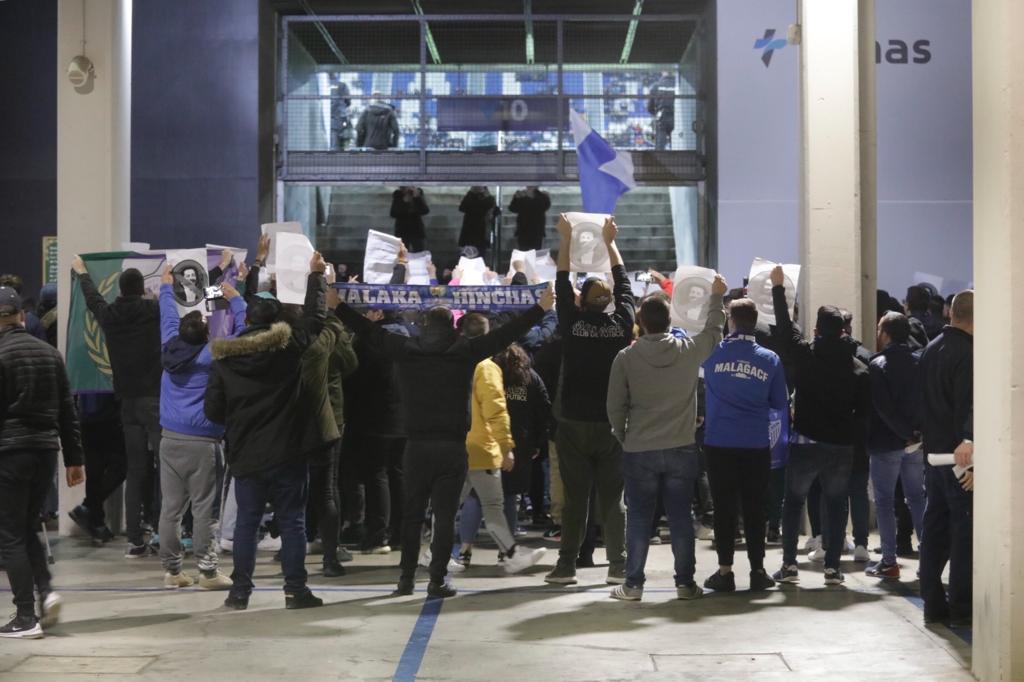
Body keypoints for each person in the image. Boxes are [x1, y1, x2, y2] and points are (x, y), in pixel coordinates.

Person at [335, 285, 553, 598]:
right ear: (453, 326)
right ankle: (437, 580)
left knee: (412, 516)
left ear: (424, 325)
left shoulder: (405, 349)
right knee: (446, 516)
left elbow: (368, 330)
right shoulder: (466, 352)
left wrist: (338, 306)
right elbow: (506, 334)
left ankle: (406, 579)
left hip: (415, 447)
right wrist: (540, 309)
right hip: (452, 447)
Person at [204, 251, 330, 611]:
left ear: (245, 319)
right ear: (278, 322)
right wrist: (317, 277)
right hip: (289, 452)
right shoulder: (289, 348)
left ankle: (239, 592)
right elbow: (315, 318)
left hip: (246, 454)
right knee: (292, 522)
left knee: (246, 524)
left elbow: (212, 411)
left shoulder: (224, 361)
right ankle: (295, 591)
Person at [606, 282, 726, 601]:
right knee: (681, 518)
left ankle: (633, 585)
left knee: (639, 519)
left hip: (639, 449)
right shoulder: (688, 351)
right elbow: (714, 331)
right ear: (670, 321)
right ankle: (685, 584)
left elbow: (615, 406)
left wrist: (623, 436)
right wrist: (717, 296)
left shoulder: (625, 358)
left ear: (641, 322)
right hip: (681, 448)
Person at [544, 214, 634, 587]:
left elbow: (562, 281)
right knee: (613, 499)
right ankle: (618, 565)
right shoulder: (622, 326)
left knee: (575, 498)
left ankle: (567, 566)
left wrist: (566, 239)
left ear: (581, 301)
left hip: (574, 421)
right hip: (612, 423)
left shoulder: (571, 324)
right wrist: (610, 242)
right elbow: (625, 285)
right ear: (610, 302)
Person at [769, 266, 870, 586]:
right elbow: (864, 413)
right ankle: (832, 568)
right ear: (844, 332)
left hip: (806, 441)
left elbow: (784, 327)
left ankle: (789, 565)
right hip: (840, 446)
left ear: (816, 329)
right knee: (837, 504)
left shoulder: (805, 355)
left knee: (794, 501)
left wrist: (778, 288)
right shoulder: (858, 368)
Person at [0, 286, 85, 638]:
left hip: (10, 452)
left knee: (9, 535)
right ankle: (46, 593)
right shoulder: (50, 354)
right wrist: (75, 459)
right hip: (46, 452)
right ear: (21, 316)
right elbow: (68, 410)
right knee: (27, 526)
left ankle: (24, 617)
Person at [156, 267, 245, 591]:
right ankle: (208, 572)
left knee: (171, 510)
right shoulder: (212, 353)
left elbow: (167, 315)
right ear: (206, 335)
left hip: (168, 440)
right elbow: (245, 334)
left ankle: (172, 571)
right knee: (205, 510)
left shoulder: (169, 345)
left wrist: (166, 287)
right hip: (204, 443)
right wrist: (236, 299)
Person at [72, 255, 163, 558]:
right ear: (142, 289)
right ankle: (161, 530)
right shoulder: (153, 310)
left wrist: (83, 274)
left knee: (135, 470)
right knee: (163, 468)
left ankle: (135, 539)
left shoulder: (109, 315)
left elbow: (93, 299)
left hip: (127, 403)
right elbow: (187, 299)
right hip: (154, 400)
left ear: (121, 290)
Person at [701, 297, 789, 593]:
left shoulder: (712, 353)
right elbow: (779, 402)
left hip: (719, 443)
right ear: (755, 322)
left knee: (723, 508)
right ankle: (757, 571)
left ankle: (725, 571)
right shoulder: (770, 359)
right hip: (755, 444)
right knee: (755, 508)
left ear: (731, 321)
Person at [455, 314, 547, 573]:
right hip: (483, 447)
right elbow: (496, 411)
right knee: (496, 503)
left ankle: (454, 552)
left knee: (458, 502)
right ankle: (509, 554)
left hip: (458, 443)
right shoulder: (487, 368)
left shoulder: (454, 361)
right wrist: (507, 447)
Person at [918, 290, 974, 627]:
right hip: (960, 459)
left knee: (934, 532)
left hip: (933, 456)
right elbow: (968, 406)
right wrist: (970, 452)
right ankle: (962, 607)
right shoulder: (969, 353)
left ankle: (933, 604)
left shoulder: (931, 348)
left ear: (951, 313)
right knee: (964, 535)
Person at [301, 268, 358, 577]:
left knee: (295, 489)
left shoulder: (292, 336)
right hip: (330, 420)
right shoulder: (333, 337)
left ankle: (293, 551)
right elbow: (351, 364)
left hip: (295, 423)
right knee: (327, 490)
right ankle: (330, 558)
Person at [865, 312, 925, 580]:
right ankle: (928, 558)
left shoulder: (877, 365)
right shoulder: (920, 362)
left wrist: (904, 434)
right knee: (917, 498)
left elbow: (883, 408)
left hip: (886, 443)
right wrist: (916, 434)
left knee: (885, 502)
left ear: (886, 334)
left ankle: (889, 562)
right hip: (916, 443)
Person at [458, 186, 497, 259]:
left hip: (481, 232)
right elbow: (462, 208)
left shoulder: (488, 199)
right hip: (469, 232)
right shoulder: (470, 197)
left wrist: (484, 195)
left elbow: (495, 210)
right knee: (466, 257)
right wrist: (471, 193)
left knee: (480, 256)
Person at [508, 186, 551, 251]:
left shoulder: (542, 196)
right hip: (524, 230)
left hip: (536, 230)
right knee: (524, 251)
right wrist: (517, 198)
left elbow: (546, 206)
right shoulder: (521, 195)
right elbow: (512, 208)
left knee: (535, 252)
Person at [391, 186, 430, 252]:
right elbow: (393, 213)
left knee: (419, 252)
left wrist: (417, 198)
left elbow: (425, 210)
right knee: (402, 253)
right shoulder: (398, 195)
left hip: (417, 230)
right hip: (402, 230)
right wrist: (403, 202)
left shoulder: (417, 193)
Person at [647, 72, 676, 150]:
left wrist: (657, 114)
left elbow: (649, 108)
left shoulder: (656, 86)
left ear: (663, 72)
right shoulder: (678, 86)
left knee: (660, 145)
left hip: (661, 118)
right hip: (676, 119)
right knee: (677, 144)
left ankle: (659, 157)